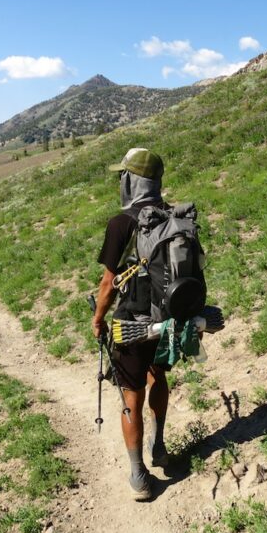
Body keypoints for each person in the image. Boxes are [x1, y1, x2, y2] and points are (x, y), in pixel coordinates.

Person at [92, 148, 170, 501]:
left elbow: (108, 285)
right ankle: (160, 446)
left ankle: (139, 475)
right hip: (168, 319)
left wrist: (97, 319)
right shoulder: (173, 217)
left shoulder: (122, 222)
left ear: (131, 180)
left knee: (131, 394)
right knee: (160, 377)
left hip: (133, 323)